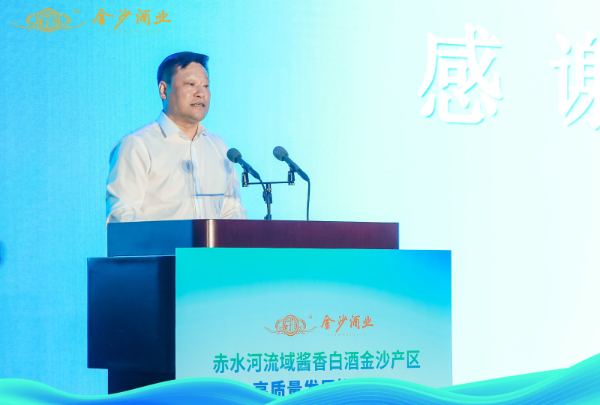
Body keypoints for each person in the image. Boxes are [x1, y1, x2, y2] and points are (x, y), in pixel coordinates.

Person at [106, 52, 247, 223]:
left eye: (206, 86)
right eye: (191, 84)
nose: (200, 93)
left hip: (212, 243)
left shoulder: (219, 147)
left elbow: (232, 210)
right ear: (163, 90)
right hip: (160, 242)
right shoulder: (137, 145)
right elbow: (122, 216)